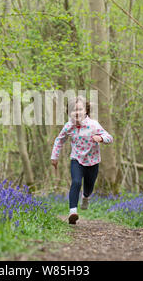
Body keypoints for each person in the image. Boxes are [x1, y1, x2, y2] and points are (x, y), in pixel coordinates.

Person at [50, 96, 113, 224]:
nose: (76, 112)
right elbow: (59, 140)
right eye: (73, 110)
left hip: (93, 161)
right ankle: (73, 211)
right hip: (76, 159)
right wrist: (54, 157)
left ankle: (85, 197)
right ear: (69, 113)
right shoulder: (68, 126)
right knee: (76, 182)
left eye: (79, 109)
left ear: (86, 111)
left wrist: (101, 138)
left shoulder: (93, 125)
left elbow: (109, 137)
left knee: (89, 187)